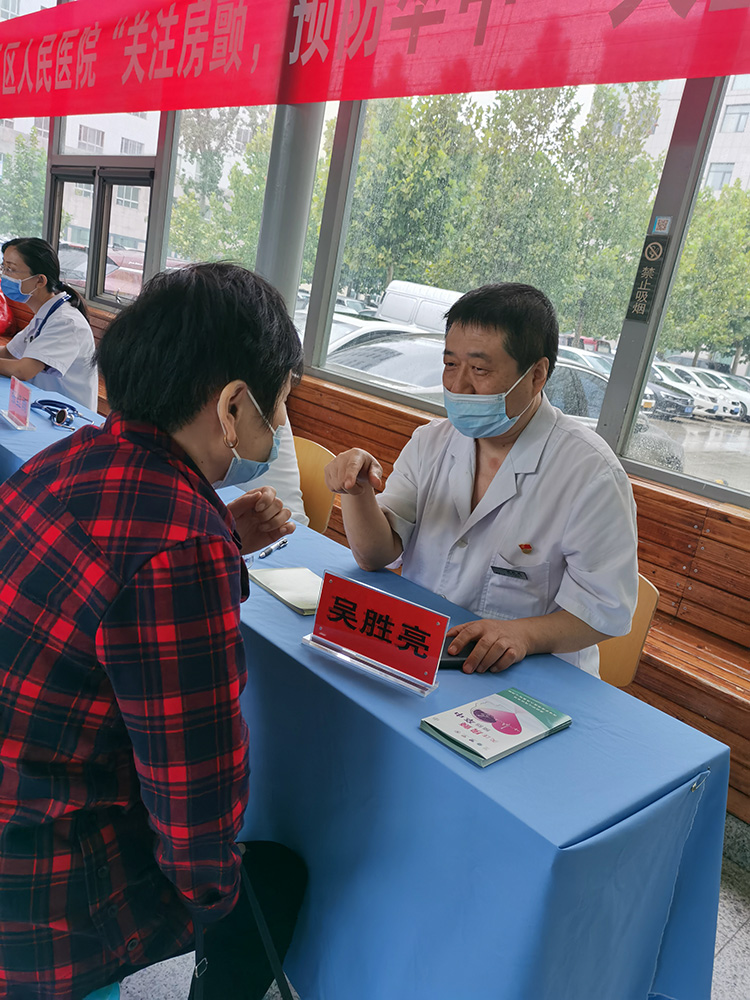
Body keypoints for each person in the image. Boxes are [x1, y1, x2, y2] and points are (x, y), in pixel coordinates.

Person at [0, 263, 303, 1000]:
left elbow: (108, 580)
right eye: (278, 407)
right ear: (233, 404)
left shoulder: (62, 461)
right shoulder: (181, 540)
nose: (274, 428)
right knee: (271, 882)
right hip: (43, 898)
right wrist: (214, 902)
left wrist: (218, 539)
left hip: (16, 814)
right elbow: (194, 780)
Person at [325, 283, 639, 677]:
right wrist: (357, 493)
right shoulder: (430, 443)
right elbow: (375, 555)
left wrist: (524, 635)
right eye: (450, 364)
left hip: (529, 675)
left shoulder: (590, 474)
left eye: (479, 370)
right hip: (422, 648)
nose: (457, 386)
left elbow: (606, 609)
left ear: (536, 375)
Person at [0, 237, 98, 410]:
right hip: (38, 406)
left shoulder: (66, 322)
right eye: (3, 267)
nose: (4, 275)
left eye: (11, 269)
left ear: (39, 281)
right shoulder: (46, 314)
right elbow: (8, 352)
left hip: (65, 416)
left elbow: (23, 370)